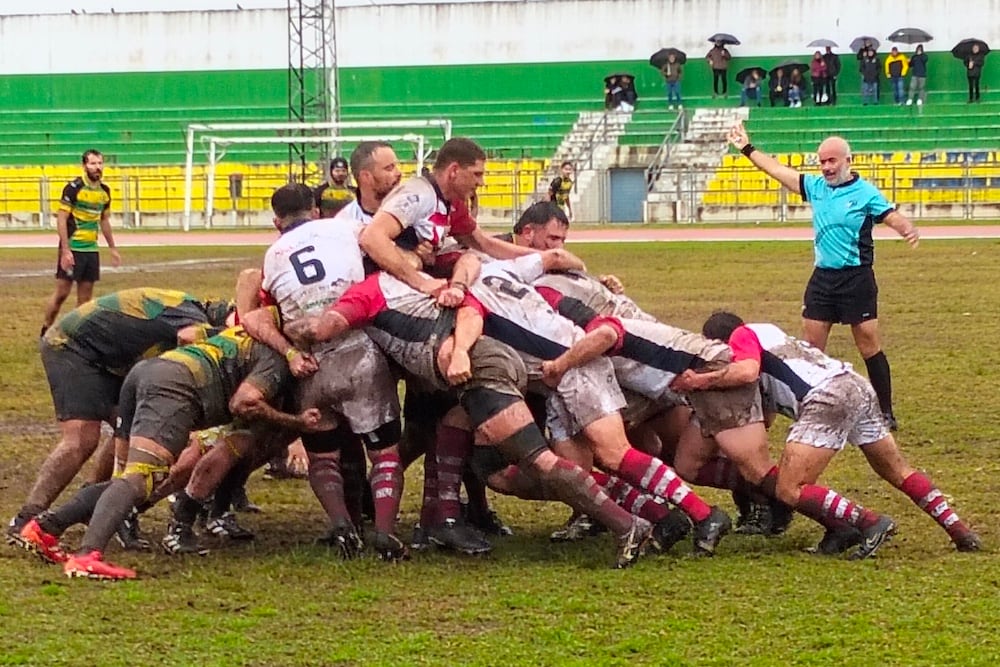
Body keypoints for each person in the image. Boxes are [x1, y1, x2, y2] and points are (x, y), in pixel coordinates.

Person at [699, 312, 982, 557]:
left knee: (788, 488)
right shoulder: (767, 333)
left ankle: (869, 522)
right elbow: (766, 417)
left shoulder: (741, 336)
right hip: (855, 384)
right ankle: (959, 531)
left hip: (827, 397)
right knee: (898, 470)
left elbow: (747, 372)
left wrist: (702, 380)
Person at [59, 320, 322, 580]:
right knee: (150, 475)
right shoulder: (268, 337)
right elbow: (241, 398)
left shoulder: (266, 322)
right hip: (191, 386)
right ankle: (102, 542)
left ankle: (43, 525)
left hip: (176, 377)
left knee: (139, 476)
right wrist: (296, 423)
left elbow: (196, 334)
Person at [727, 123, 919, 431]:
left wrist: (905, 227)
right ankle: (810, 405)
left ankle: (885, 411)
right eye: (822, 161)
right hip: (823, 281)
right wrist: (748, 148)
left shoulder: (865, 192)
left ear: (848, 161)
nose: (827, 167)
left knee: (869, 344)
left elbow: (889, 214)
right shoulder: (815, 187)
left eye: (832, 161)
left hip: (857, 279)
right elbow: (777, 170)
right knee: (812, 349)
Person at [6, 289, 231, 545]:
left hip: (109, 358)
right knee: (81, 438)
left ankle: (92, 502)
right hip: (72, 346)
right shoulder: (193, 318)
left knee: (131, 431)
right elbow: (187, 337)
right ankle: (27, 517)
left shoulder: (187, 305)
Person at [358, 136, 535, 296]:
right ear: (454, 171)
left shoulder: (452, 202)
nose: (481, 182)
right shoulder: (418, 194)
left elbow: (484, 244)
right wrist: (421, 282)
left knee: (474, 261)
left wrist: (542, 257)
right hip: (384, 287)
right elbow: (372, 238)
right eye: (477, 174)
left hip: (407, 283)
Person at [41, 149, 121, 337]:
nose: (97, 167)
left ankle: (76, 338)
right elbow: (61, 219)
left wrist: (112, 248)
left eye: (100, 163)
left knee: (85, 301)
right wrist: (65, 250)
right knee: (62, 293)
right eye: (93, 163)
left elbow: (104, 221)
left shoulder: (105, 191)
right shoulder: (73, 188)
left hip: (91, 250)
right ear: (84, 166)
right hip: (73, 247)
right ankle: (45, 330)